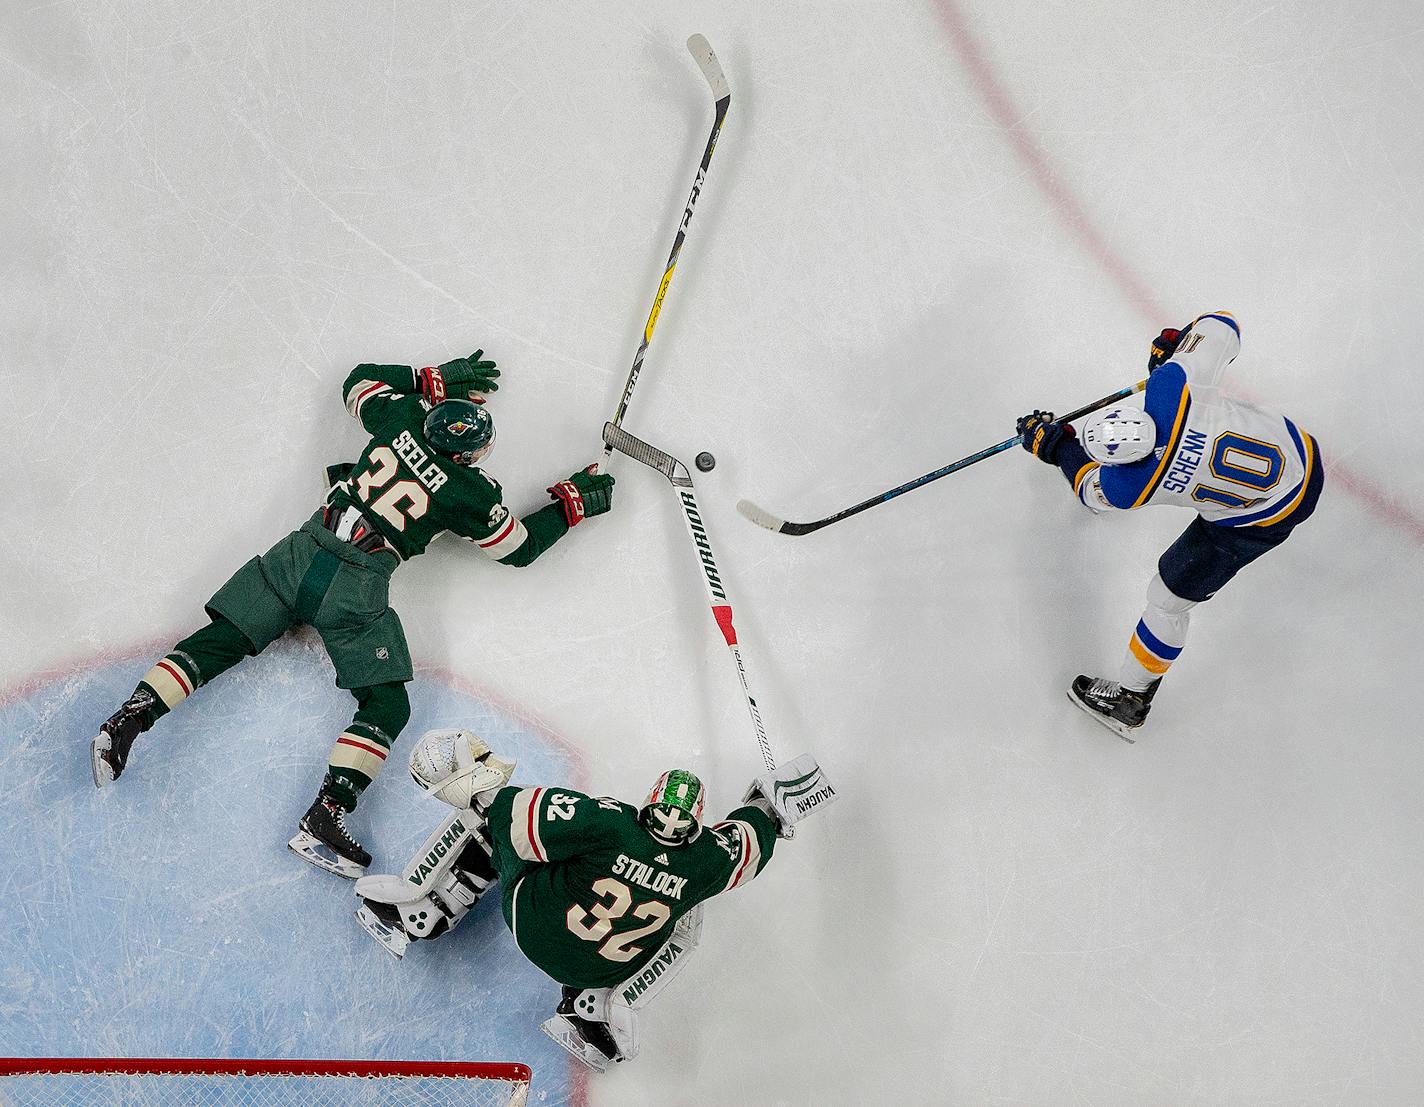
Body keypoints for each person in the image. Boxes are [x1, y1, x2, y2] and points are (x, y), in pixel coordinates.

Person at [90, 351, 615, 877]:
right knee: (387, 705)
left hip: (298, 553)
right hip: (355, 587)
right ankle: (327, 815)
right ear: (472, 454)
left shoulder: (402, 418)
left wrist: (428, 380)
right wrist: (569, 506)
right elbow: (518, 547)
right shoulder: (468, 492)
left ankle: (128, 718)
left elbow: (358, 383)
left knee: (219, 639)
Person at [352, 728, 829, 1071]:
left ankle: (423, 909)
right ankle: (598, 1010)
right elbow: (748, 842)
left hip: (535, 924)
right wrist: (770, 807)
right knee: (689, 916)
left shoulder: (612, 822)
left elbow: (507, 811)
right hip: (602, 967)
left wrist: (469, 779)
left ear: (650, 802)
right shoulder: (707, 857)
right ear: (696, 823)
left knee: (504, 832)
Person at [1017, 311, 1324, 739]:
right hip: (1301, 453)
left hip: (1262, 517)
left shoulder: (1130, 484)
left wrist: (1056, 446)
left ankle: (1132, 699)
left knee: (1167, 600)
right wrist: (1177, 349)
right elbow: (1223, 324)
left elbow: (1091, 491)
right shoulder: (1172, 386)